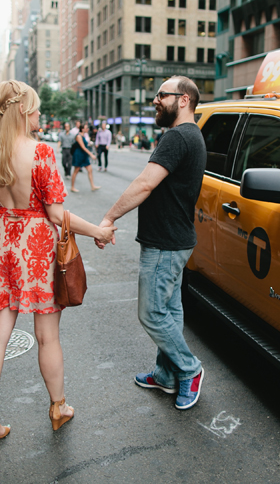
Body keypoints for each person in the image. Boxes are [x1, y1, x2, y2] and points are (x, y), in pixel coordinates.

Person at [0, 80, 116, 449]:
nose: (39, 115)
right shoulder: (41, 153)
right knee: (47, 336)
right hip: (37, 247)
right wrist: (97, 231)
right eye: (35, 109)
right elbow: (55, 213)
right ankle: (58, 407)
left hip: (3, 244)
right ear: (23, 110)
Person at [97, 76, 206, 410]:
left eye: (162, 95)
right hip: (176, 240)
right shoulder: (193, 135)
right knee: (170, 311)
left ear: (184, 99)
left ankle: (190, 369)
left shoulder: (176, 136)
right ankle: (166, 375)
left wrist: (110, 217)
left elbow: (145, 183)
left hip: (165, 244)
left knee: (151, 313)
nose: (155, 100)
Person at [70, 123, 100, 193]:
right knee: (76, 171)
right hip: (78, 155)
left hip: (84, 155)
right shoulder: (78, 136)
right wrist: (91, 154)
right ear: (82, 129)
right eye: (86, 128)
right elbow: (83, 147)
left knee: (90, 170)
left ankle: (92, 186)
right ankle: (72, 187)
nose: (88, 129)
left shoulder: (84, 135)